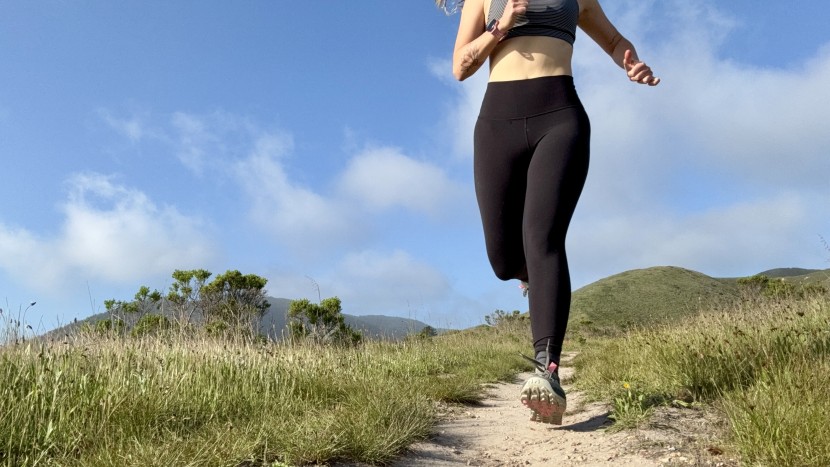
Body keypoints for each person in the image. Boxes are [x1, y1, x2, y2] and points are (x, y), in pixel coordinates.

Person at [438, 0, 659, 425]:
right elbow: (460, 67)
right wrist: (499, 28)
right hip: (496, 125)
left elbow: (613, 41)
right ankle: (529, 277)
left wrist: (629, 61)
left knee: (544, 239)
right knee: (503, 259)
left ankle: (548, 369)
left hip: (560, 119)